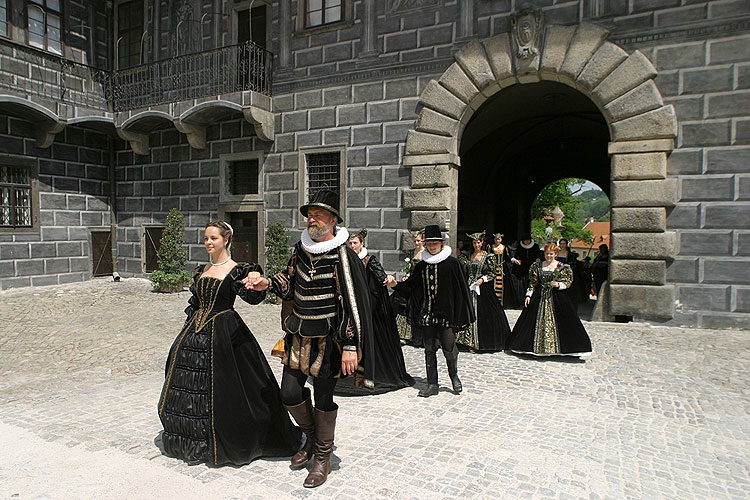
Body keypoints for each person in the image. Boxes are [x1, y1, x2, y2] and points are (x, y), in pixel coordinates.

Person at [244, 189, 373, 488]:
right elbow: (289, 285)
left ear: (333, 220)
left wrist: (351, 346)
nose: (311, 219)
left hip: (330, 341)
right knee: (289, 393)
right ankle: (312, 439)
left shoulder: (343, 254)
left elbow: (353, 302)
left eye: (318, 214)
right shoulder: (300, 250)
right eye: (309, 214)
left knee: (324, 398)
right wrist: (266, 283)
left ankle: (323, 458)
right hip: (298, 336)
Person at [158, 220, 302, 466]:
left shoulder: (237, 269)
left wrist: (255, 277)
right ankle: (192, 438)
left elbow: (253, 297)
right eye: (205, 238)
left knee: (230, 390)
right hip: (195, 331)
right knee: (185, 385)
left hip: (224, 331)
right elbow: (195, 304)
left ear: (226, 240)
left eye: (213, 238)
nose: (208, 243)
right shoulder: (201, 269)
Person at [386, 225, 475, 397]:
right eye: (429, 244)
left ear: (441, 244)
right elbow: (411, 286)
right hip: (427, 314)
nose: (432, 247)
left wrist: (462, 314)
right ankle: (432, 384)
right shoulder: (422, 266)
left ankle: (454, 376)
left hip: (446, 315)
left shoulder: (453, 264)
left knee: (449, 348)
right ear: (425, 245)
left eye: (435, 243)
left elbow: (461, 291)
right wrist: (395, 285)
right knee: (429, 349)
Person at [335, 229, 414, 395]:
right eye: (350, 243)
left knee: (371, 341)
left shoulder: (369, 260)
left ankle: (374, 374)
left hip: (370, 307)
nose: (352, 246)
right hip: (351, 307)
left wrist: (387, 279)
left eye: (355, 243)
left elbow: (381, 276)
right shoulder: (344, 260)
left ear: (362, 244)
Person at [507, 243, 592, 359]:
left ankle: (565, 348)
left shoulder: (562, 267)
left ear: (555, 254)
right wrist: (528, 295)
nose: (549, 256)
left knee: (564, 321)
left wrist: (558, 284)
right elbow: (533, 282)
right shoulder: (537, 266)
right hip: (539, 296)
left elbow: (568, 282)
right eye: (547, 254)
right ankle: (532, 347)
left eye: (551, 254)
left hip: (557, 297)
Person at [457, 232, 512, 352]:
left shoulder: (488, 257)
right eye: (474, 242)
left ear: (482, 242)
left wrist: (482, 279)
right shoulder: (466, 256)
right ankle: (465, 341)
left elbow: (492, 273)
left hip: (482, 289)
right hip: (468, 287)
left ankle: (479, 342)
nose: (476, 244)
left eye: (479, 242)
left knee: (484, 314)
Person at [392, 230, 424, 347]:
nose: (416, 243)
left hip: (421, 284)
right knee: (403, 303)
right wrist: (406, 275)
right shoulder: (411, 253)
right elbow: (409, 268)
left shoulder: (425, 253)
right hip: (411, 282)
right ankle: (403, 334)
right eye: (415, 241)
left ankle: (417, 337)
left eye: (418, 241)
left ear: (423, 240)